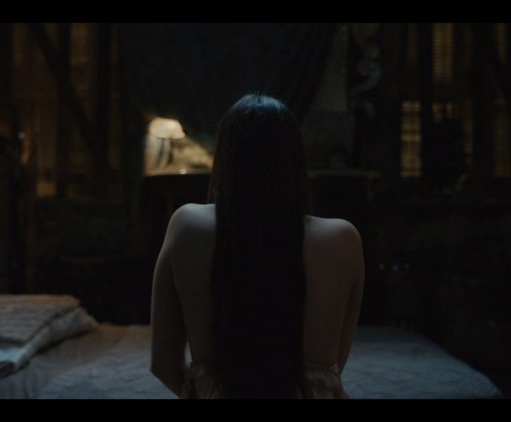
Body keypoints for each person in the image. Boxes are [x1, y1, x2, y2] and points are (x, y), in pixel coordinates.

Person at [150, 94, 364, 398]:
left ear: (225, 159)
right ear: (295, 161)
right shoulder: (343, 239)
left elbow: (163, 364)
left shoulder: (186, 225)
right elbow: (331, 370)